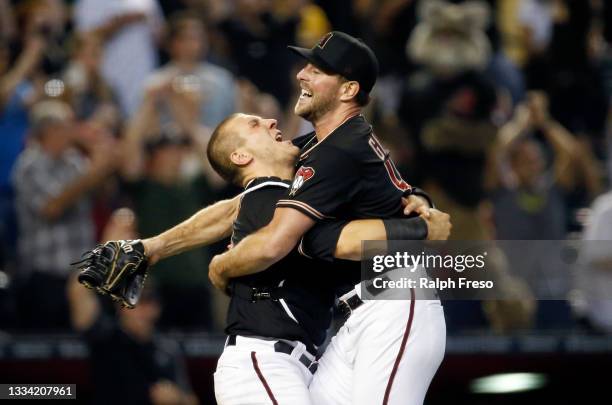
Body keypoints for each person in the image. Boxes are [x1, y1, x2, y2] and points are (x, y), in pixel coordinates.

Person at [121, 112, 449, 404]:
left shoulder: (278, 196)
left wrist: (155, 247)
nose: (271, 121)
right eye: (255, 124)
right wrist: (417, 229)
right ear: (240, 155)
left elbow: (231, 209)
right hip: (264, 363)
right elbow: (345, 241)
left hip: (301, 365)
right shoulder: (271, 199)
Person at [208, 31, 447, 404]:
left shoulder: (338, 150)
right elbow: (237, 207)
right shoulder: (319, 145)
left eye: (318, 70)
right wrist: (153, 247)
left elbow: (275, 242)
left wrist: (222, 266)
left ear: (348, 89)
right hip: (355, 317)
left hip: (393, 301)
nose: (302, 74)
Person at [12, 100, 117, 330]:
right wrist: (92, 173)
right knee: (45, 350)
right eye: (68, 125)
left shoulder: (74, 161)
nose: (74, 130)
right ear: (50, 130)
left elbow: (102, 193)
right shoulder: (29, 165)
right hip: (45, 276)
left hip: (80, 279)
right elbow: (51, 208)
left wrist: (103, 161)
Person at [67, 237, 199, 405]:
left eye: (150, 300)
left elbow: (191, 399)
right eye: (136, 299)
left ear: (158, 307)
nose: (144, 309)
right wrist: (107, 254)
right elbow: (77, 290)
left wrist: (177, 398)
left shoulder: (166, 349)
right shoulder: (104, 337)